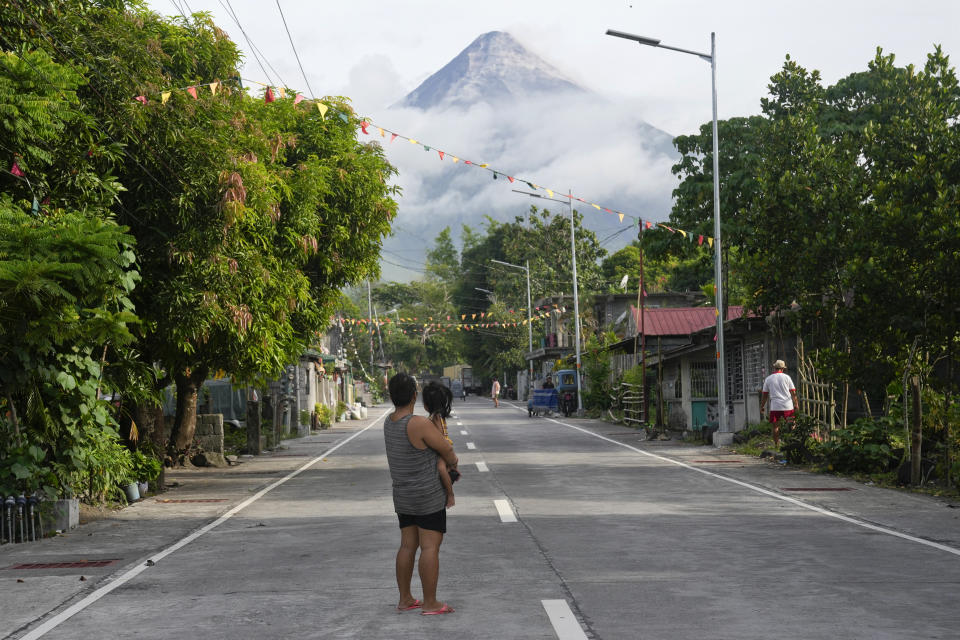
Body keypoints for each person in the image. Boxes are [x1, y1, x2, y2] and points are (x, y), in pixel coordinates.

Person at [384, 373, 458, 616]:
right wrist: (452, 462)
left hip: (403, 496)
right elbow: (446, 449)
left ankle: (405, 599)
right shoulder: (418, 424)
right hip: (427, 496)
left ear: (391, 395)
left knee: (407, 546)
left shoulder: (389, 421)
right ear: (414, 396)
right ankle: (431, 603)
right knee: (430, 547)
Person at [421, 382, 458, 509]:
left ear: (427, 405)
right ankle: (453, 472)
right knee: (446, 468)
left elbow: (439, 438)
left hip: (443, 446)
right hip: (444, 445)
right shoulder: (436, 416)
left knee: (441, 468)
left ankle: (450, 495)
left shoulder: (435, 417)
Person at [760, 359, 800, 448]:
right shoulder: (787, 377)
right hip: (787, 406)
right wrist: (796, 404)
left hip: (775, 406)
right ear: (783, 368)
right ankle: (791, 443)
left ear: (774, 368)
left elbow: (765, 395)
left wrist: (762, 406)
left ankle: (777, 445)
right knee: (791, 424)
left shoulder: (768, 379)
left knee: (775, 427)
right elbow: (793, 393)